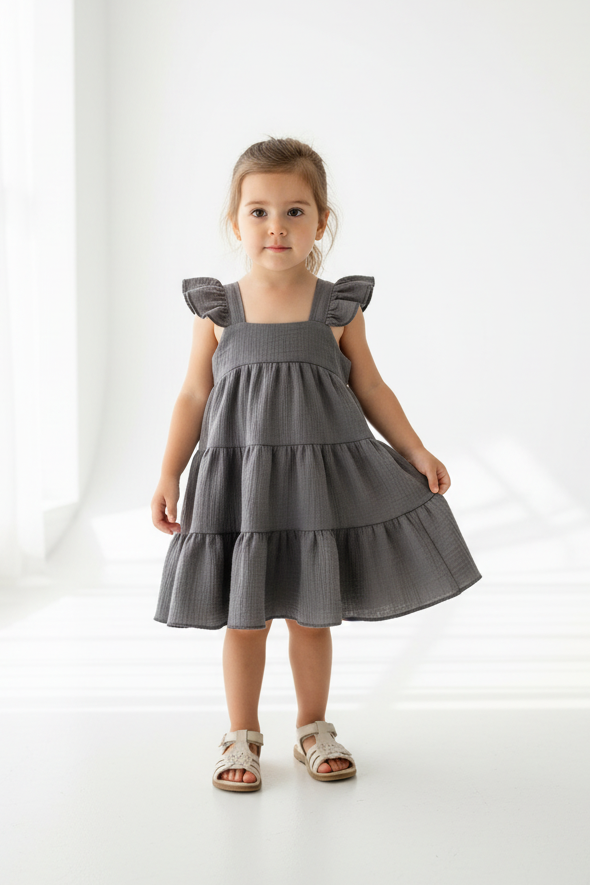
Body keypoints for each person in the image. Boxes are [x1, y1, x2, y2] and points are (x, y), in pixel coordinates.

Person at [151, 136, 482, 792]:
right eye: (259, 211)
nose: (277, 226)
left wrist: (415, 449)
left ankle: (313, 726)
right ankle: (241, 734)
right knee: (246, 619)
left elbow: (372, 387)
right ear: (235, 221)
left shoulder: (338, 307)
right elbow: (194, 392)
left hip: (314, 487)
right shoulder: (218, 308)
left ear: (322, 222)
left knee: (310, 613)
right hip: (241, 485)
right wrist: (169, 471)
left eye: (296, 211)